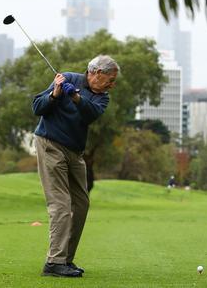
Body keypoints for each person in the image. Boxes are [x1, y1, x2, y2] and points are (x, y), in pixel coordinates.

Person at [32, 55, 119, 278]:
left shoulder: (103, 98)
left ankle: (65, 260)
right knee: (61, 204)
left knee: (81, 204)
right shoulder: (67, 78)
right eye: (110, 79)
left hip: (75, 152)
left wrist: (76, 97)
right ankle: (54, 262)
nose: (112, 84)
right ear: (97, 73)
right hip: (50, 144)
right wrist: (56, 94)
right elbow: (37, 107)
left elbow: (90, 114)